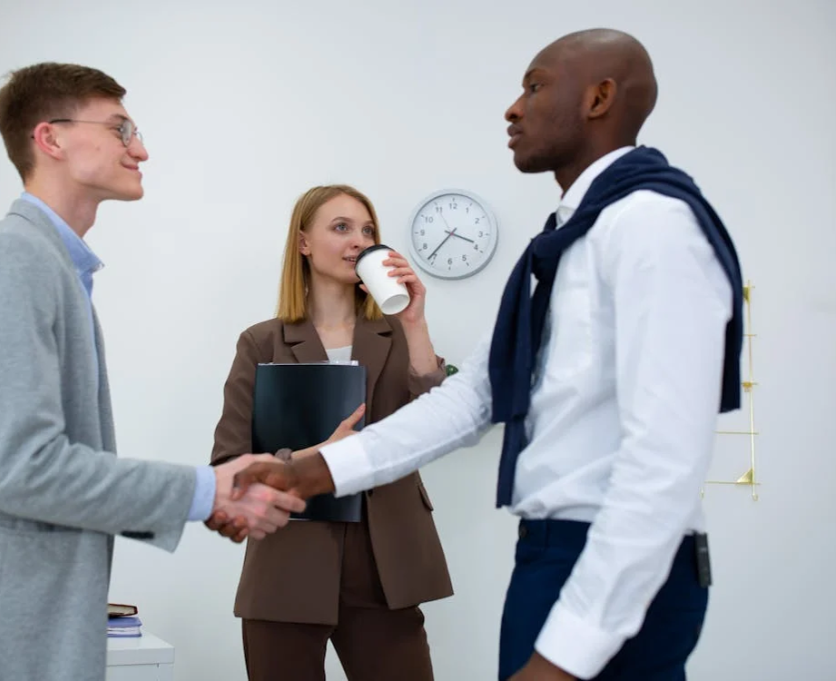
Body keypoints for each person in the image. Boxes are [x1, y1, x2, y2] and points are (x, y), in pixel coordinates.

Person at [231, 29, 745, 681]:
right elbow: (472, 398)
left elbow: (664, 461)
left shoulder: (651, 225)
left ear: (599, 98)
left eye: (533, 86)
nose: (512, 107)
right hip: (550, 555)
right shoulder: (558, 246)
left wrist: (563, 657)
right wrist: (312, 470)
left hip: (614, 558)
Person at [0, 62, 304, 681]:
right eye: (122, 129)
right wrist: (206, 493)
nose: (142, 148)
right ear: (52, 139)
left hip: (17, 629)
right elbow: (20, 469)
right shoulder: (10, 260)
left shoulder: (51, 266)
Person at [210, 184, 454, 681]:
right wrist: (321, 455)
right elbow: (228, 465)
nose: (358, 241)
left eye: (367, 231)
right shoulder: (262, 341)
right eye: (341, 228)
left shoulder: (400, 335)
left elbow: (439, 419)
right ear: (303, 243)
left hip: (385, 560)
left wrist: (414, 322)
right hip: (289, 561)